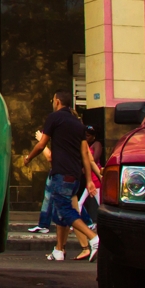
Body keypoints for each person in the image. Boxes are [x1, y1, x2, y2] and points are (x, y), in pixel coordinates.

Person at [22, 90, 100, 262]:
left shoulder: (54, 118)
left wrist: (29, 158)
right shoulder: (78, 124)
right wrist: (88, 180)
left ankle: (93, 238)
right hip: (75, 175)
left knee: (65, 210)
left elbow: (42, 145)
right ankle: (59, 250)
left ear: (57, 101)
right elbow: (85, 155)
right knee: (60, 212)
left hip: (62, 173)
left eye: (53, 100)